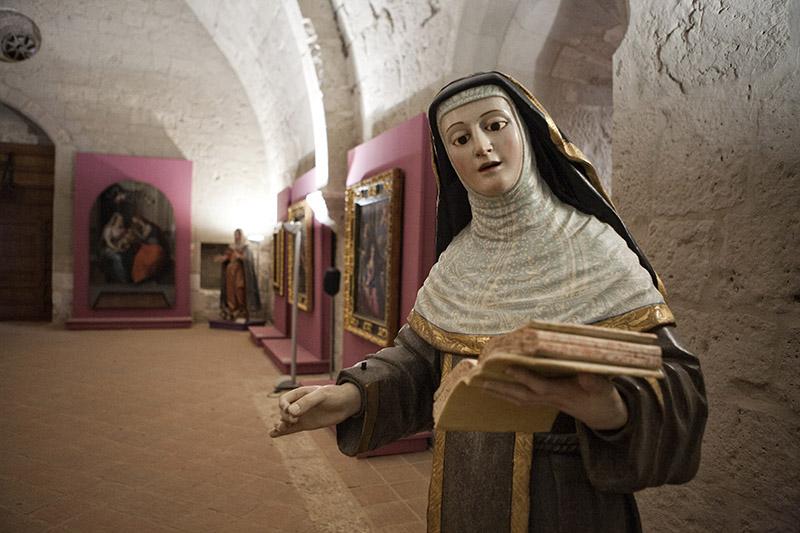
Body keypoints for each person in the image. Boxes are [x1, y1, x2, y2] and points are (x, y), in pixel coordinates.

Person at [270, 72, 707, 532]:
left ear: (528, 133)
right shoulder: (456, 262)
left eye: (495, 125)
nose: (481, 146)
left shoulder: (598, 248)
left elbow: (678, 384)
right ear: (449, 159)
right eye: (460, 138)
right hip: (464, 492)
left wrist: (609, 407)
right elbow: (417, 365)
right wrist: (350, 396)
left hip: (566, 501)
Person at [216, 228, 261, 322]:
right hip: (230, 272)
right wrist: (223, 258)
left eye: (238, 235)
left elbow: (248, 260)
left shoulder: (246, 248)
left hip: (240, 272)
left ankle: (241, 309)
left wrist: (240, 256)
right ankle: (232, 310)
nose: (236, 237)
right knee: (230, 291)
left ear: (241, 236)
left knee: (239, 289)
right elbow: (227, 257)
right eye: (235, 235)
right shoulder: (231, 248)